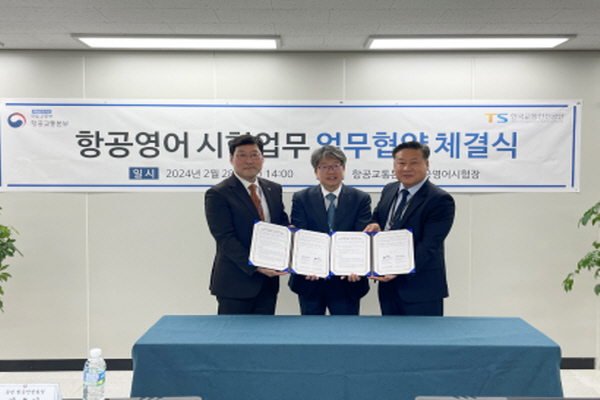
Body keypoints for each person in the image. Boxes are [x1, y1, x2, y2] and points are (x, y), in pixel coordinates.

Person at [364, 141, 455, 316]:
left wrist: (399, 269)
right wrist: (375, 225)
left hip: (421, 287)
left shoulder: (439, 199)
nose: (406, 168)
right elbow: (379, 217)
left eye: (414, 162)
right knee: (390, 332)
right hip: (388, 286)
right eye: (401, 162)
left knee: (424, 334)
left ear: (426, 164)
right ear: (394, 165)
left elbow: (429, 245)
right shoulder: (390, 189)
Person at [205, 134, 289, 315]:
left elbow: (281, 223)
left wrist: (291, 238)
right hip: (235, 283)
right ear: (231, 159)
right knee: (233, 333)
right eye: (242, 155)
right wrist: (255, 266)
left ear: (262, 158)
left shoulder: (273, 189)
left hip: (268, 283)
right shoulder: (218, 193)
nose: (249, 160)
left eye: (254, 155)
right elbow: (225, 238)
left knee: (264, 332)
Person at [289, 145, 371, 315]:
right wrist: (307, 265)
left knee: (345, 330)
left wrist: (356, 265)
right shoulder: (301, 198)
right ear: (316, 171)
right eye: (324, 167)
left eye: (336, 165)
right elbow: (301, 235)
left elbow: (360, 237)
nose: (331, 171)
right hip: (310, 280)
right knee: (310, 330)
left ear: (344, 168)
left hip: (347, 281)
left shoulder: (360, 198)